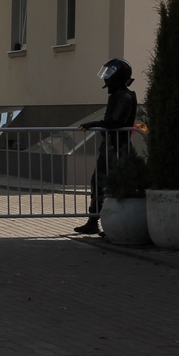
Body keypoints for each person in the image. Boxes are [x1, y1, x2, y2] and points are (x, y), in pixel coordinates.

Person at [74, 58, 139, 235]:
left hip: (117, 148)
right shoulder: (118, 95)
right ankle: (94, 220)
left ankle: (110, 222)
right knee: (99, 182)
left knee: (110, 184)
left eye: (110, 75)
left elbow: (115, 121)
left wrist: (92, 123)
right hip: (111, 145)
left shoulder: (124, 96)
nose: (106, 79)